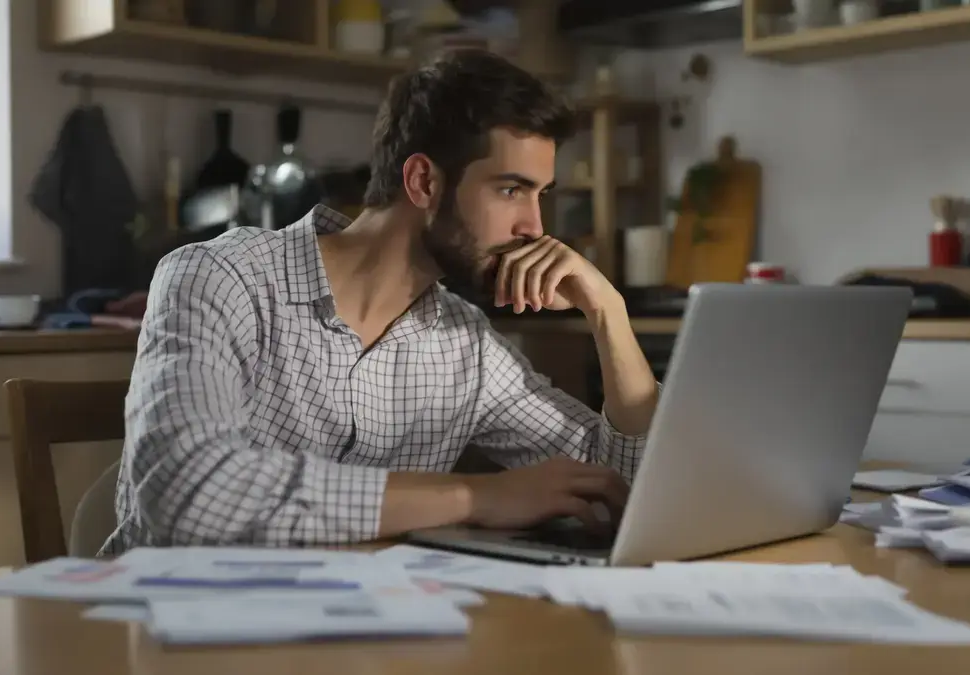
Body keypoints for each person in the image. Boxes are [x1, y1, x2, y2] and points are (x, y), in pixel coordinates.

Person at [101, 48, 660, 555]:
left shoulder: (467, 346)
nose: (535, 227)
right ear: (423, 182)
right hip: (174, 632)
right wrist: (476, 496)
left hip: (358, 636)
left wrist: (608, 313)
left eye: (540, 196)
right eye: (510, 190)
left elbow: (628, 492)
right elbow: (187, 495)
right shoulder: (221, 277)